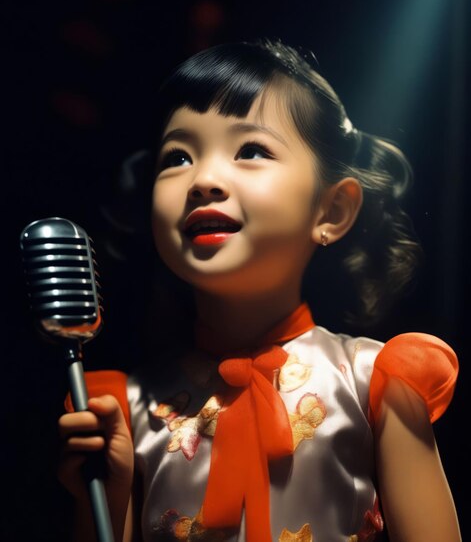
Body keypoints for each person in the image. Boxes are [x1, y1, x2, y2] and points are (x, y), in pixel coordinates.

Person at [57, 40, 462, 542]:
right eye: (177, 156)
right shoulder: (125, 407)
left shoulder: (377, 383)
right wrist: (106, 492)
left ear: (332, 211)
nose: (203, 179)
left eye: (251, 150)